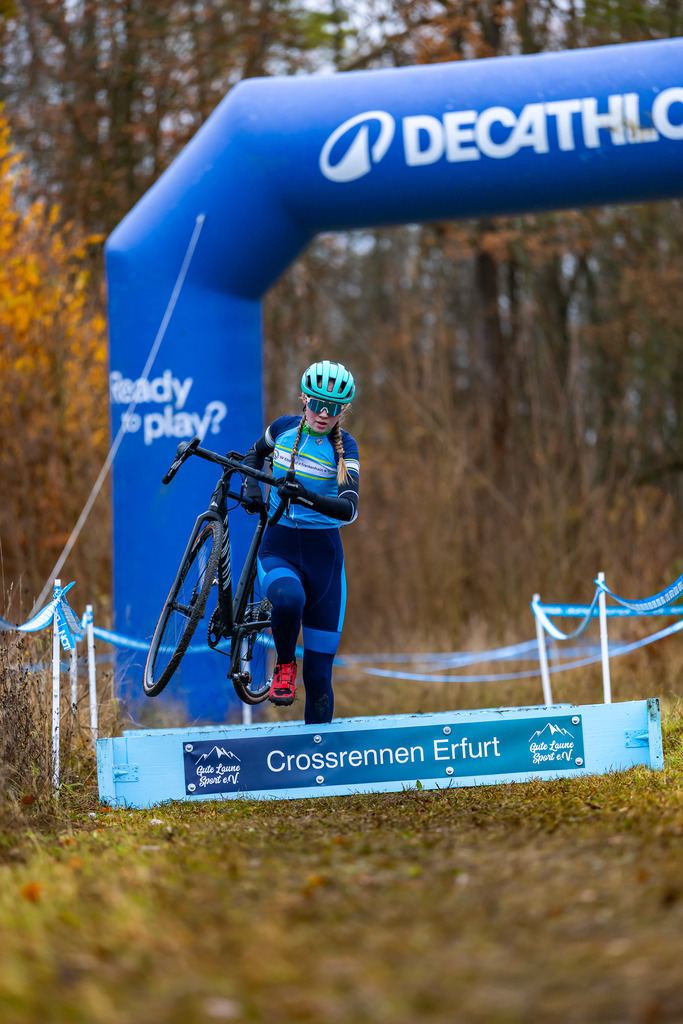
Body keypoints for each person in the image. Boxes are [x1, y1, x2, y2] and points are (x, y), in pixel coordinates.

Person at [242, 360, 359, 725]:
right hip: (279, 547)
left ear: (343, 411)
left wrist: (307, 496)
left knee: (320, 678)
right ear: (304, 400)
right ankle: (285, 663)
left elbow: (349, 508)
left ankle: (317, 762)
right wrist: (251, 487)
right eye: (318, 404)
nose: (324, 414)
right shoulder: (282, 428)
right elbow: (254, 454)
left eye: (334, 408)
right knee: (289, 598)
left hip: (325, 558)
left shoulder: (346, 449)